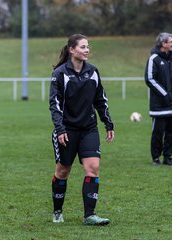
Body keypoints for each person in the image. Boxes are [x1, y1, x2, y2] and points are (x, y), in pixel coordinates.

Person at [49, 34, 114, 225]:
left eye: (88, 47)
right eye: (83, 47)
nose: (87, 50)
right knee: (63, 172)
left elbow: (100, 100)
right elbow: (54, 104)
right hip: (67, 130)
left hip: (88, 128)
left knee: (93, 168)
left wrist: (108, 123)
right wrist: (60, 129)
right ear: (72, 50)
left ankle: (89, 215)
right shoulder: (60, 73)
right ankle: (58, 211)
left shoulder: (93, 71)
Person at [144, 32, 172, 166]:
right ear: (163, 44)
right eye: (170, 41)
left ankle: (168, 157)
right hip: (159, 105)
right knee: (158, 132)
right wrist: (165, 94)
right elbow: (150, 79)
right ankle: (156, 157)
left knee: (171, 132)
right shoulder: (153, 59)